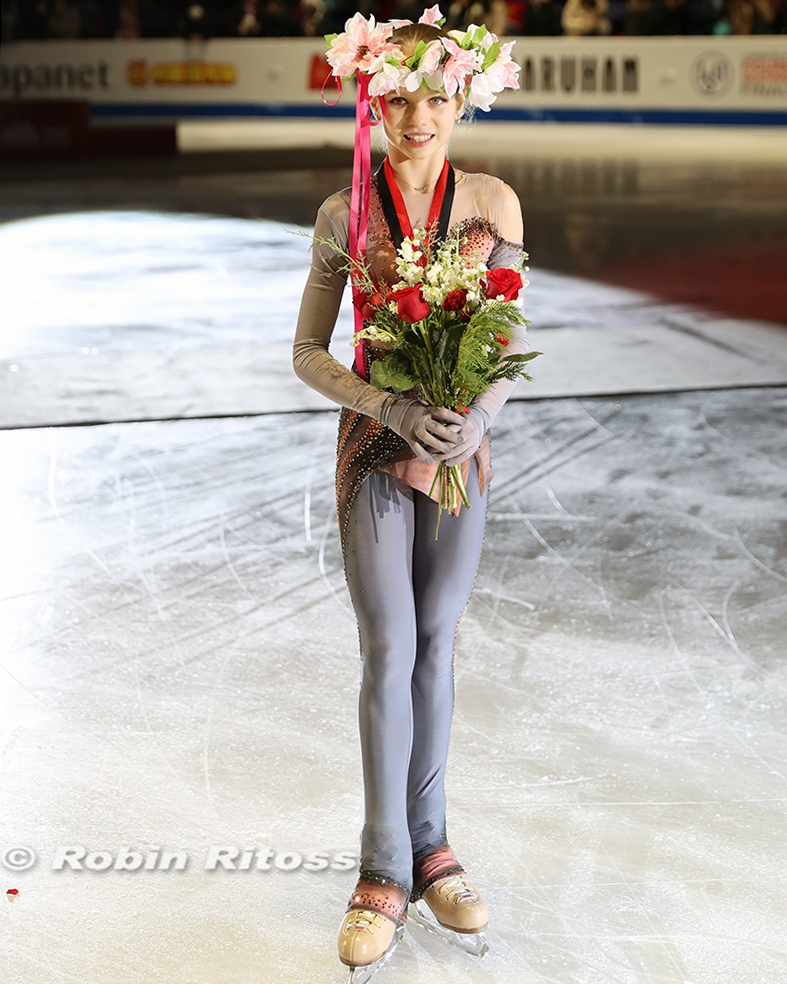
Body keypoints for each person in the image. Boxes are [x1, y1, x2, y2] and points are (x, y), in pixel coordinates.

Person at [292, 8, 526, 974]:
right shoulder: (343, 213)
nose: (415, 117)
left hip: (460, 454)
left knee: (437, 639)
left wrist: (479, 418)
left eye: (434, 98)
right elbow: (307, 353)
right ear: (372, 105)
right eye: (395, 100)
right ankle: (381, 867)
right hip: (374, 450)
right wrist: (385, 407)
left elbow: (507, 341)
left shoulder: (493, 203)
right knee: (389, 646)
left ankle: (433, 851)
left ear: (462, 99)